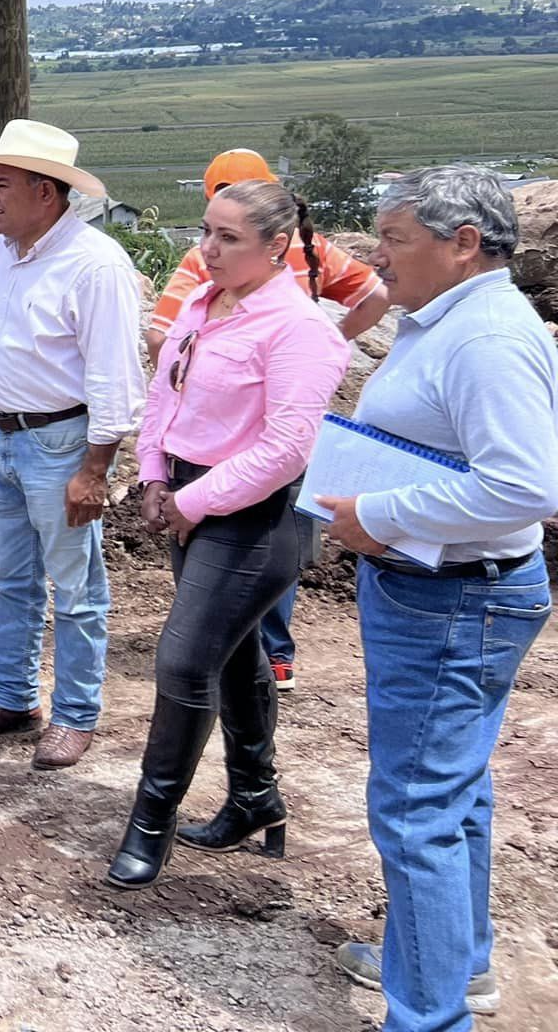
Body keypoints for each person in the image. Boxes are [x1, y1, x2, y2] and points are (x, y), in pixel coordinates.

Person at [314, 166, 557, 1030]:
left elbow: (528, 485)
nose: (378, 259)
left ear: (463, 246)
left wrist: (378, 511)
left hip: (455, 600)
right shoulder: (454, 320)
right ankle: (453, 964)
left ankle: (428, 1015)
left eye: (395, 241)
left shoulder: (486, 339)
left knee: (417, 810)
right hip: (443, 591)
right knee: (453, 795)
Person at [105, 181, 349, 890]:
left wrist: (195, 501)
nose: (207, 249)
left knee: (183, 664)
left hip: (256, 518)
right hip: (191, 500)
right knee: (234, 655)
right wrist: (154, 475)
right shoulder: (202, 307)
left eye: (228, 238)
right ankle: (255, 796)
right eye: (205, 232)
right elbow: (164, 394)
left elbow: (287, 447)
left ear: (276, 247)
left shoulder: (299, 329)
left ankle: (150, 825)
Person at [0, 121, 145, 770]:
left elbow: (116, 374)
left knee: (78, 590)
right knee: (11, 578)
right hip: (0, 437)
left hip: (61, 443)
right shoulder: (6, 250)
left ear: (45, 193)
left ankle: (76, 716)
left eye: (1, 185)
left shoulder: (95, 263)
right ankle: (12, 698)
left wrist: (95, 469)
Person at [149, 147, 391, 692]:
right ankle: (275, 654)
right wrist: (337, 341)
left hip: (226, 442)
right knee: (281, 535)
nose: (214, 243)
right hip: (293, 418)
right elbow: (376, 296)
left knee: (234, 553)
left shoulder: (202, 265)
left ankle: (234, 651)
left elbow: (159, 335)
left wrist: (199, 373)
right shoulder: (316, 248)